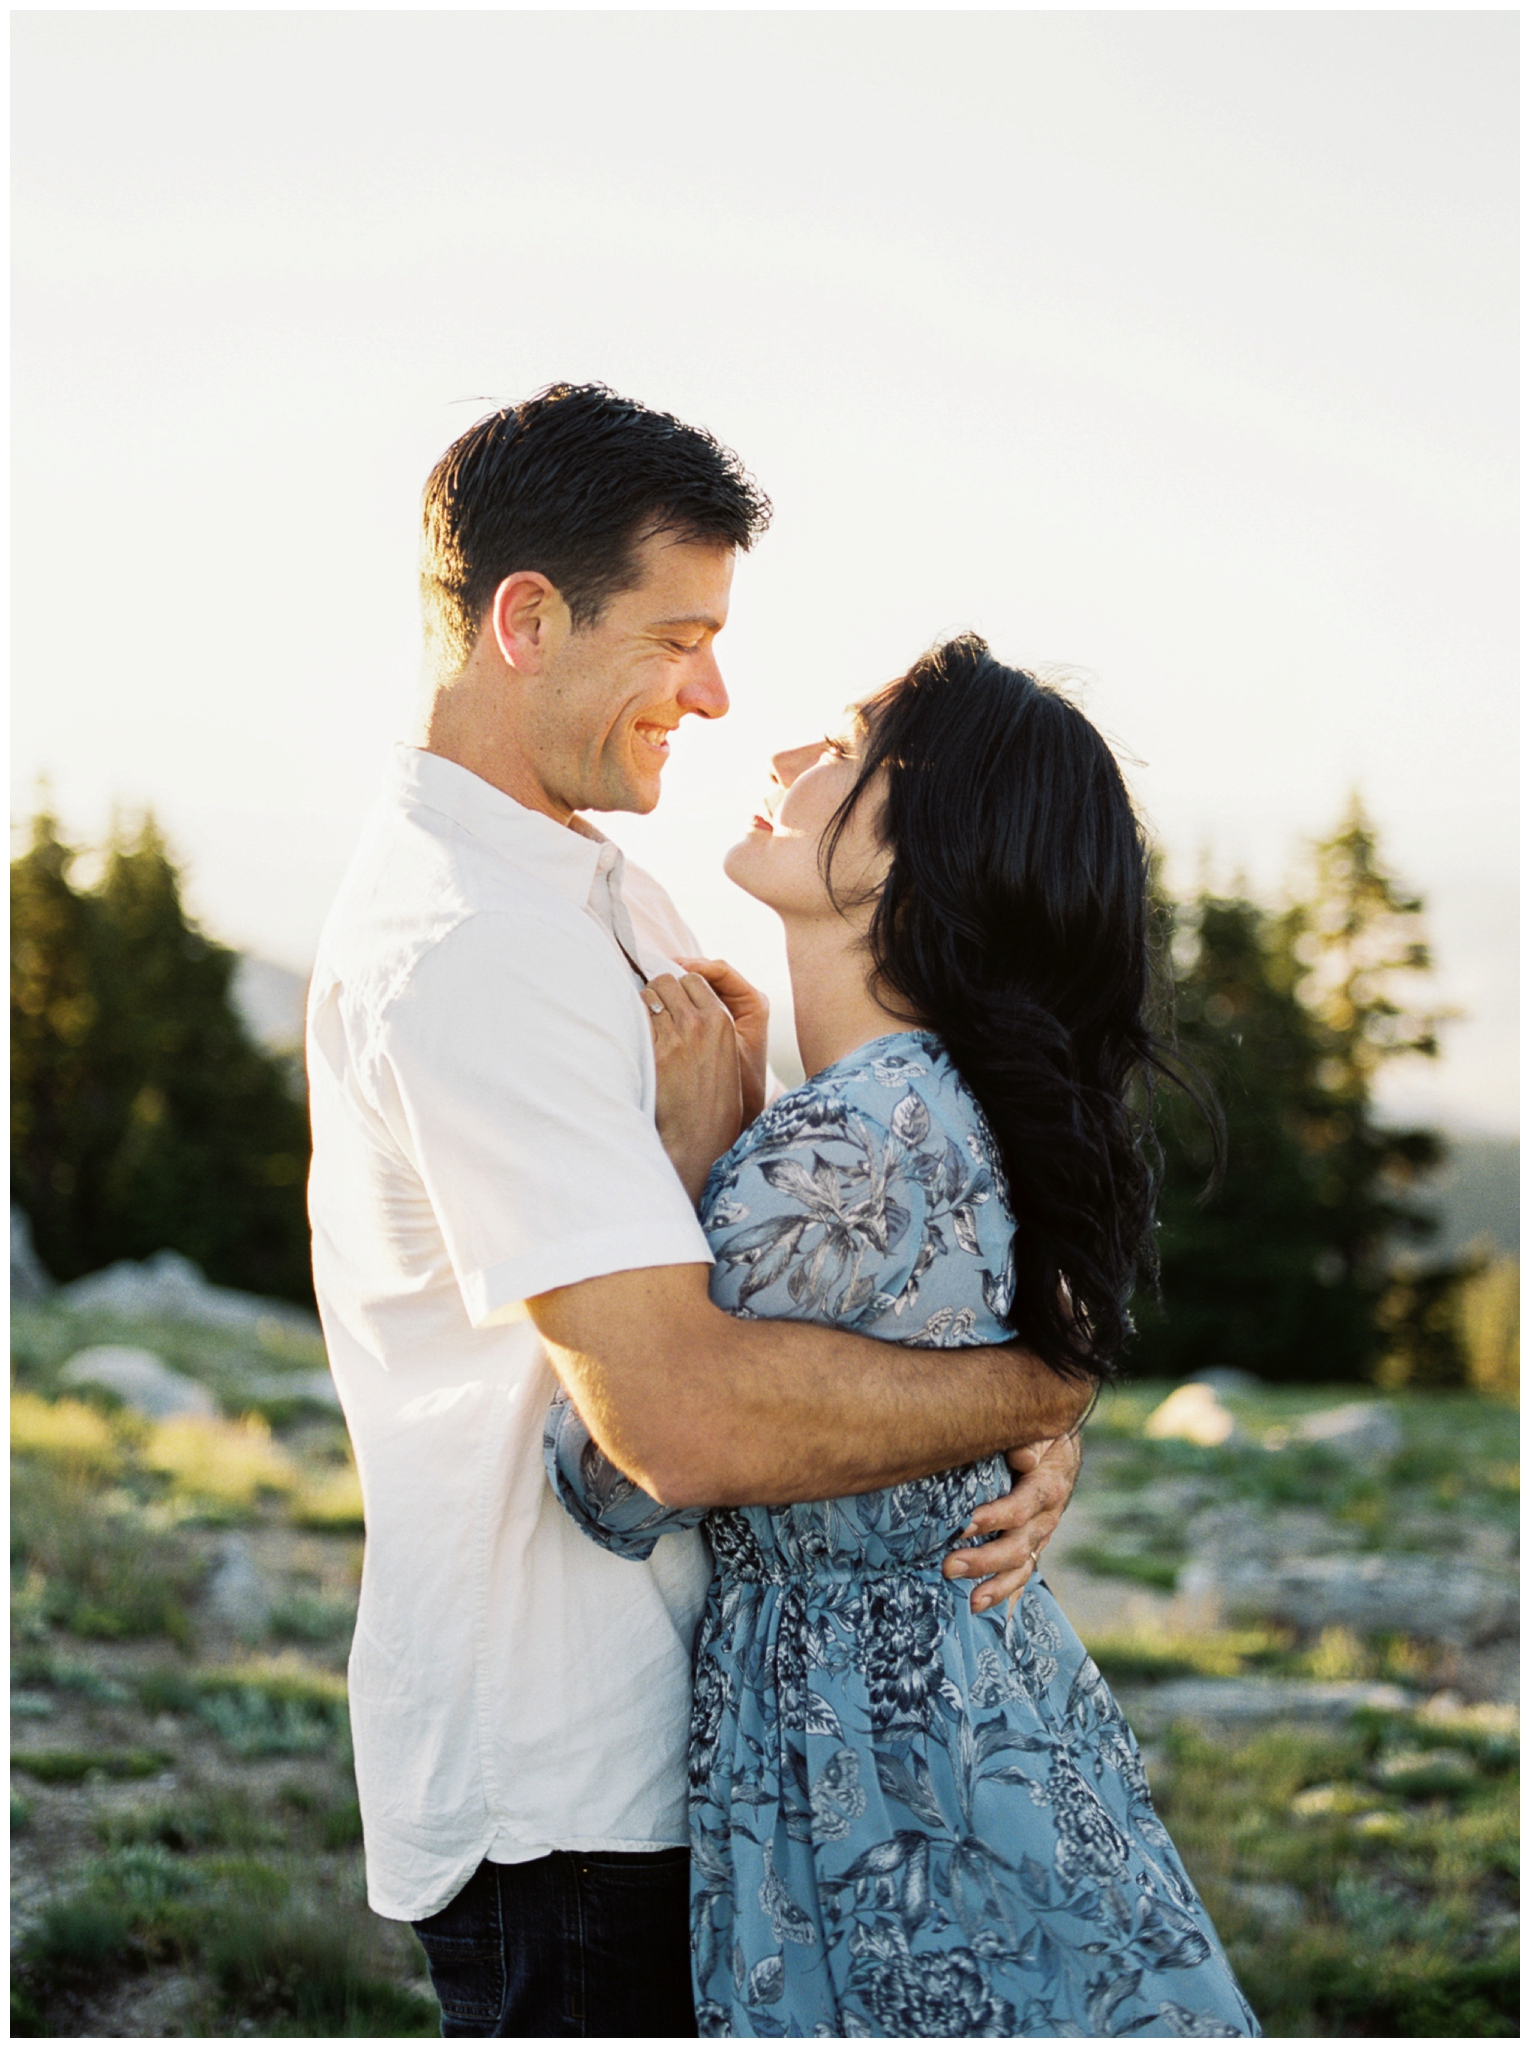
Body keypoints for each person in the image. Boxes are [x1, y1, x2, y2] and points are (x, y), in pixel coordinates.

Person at [306, 385, 1089, 2039]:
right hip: (573, 1787)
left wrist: (997, 1418)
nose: (715, 692)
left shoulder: (602, 892)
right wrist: (1035, 1387)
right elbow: (669, 1421)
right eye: (677, 637)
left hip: (700, 1759)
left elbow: (853, 1235)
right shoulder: (473, 950)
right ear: (526, 620)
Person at [546, 636, 1260, 2037]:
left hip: (869, 1776)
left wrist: (694, 1183)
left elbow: (609, 1478)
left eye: (846, 748)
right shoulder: (959, 1111)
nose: (785, 761)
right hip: (987, 1719)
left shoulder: (841, 1151)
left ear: (927, 840)